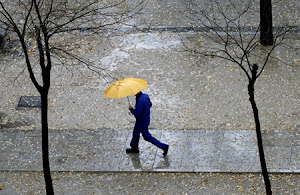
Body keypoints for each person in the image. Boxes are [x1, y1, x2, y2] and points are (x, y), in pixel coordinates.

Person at [126, 91, 169, 156]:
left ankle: (164, 146)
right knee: (135, 133)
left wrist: (131, 109)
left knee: (147, 137)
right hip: (145, 119)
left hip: (141, 121)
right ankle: (134, 147)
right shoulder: (145, 96)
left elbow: (137, 114)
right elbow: (150, 104)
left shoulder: (140, 101)